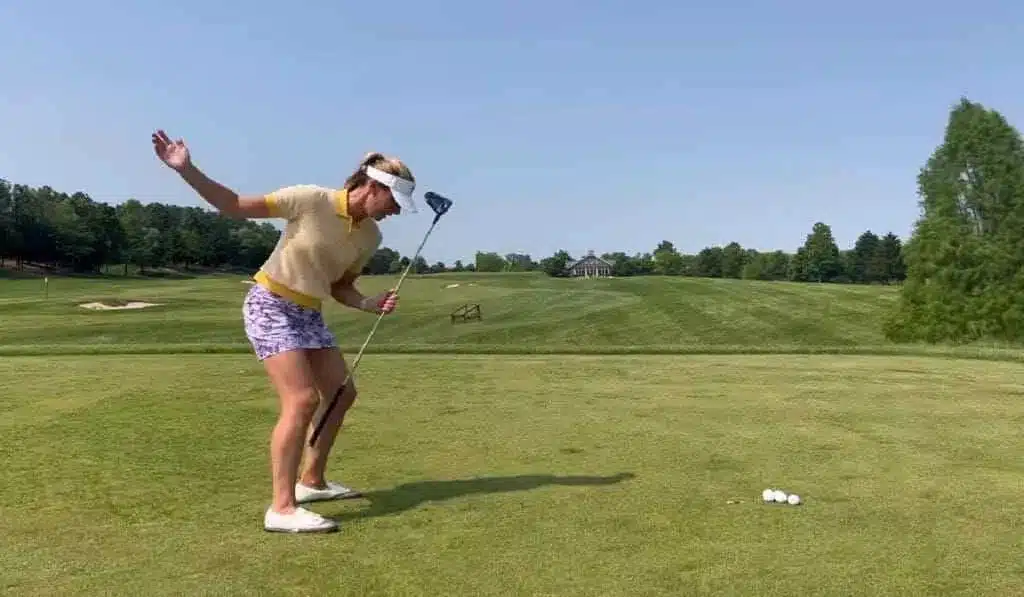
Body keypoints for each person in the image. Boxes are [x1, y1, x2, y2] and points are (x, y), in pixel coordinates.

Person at [151, 129, 417, 533]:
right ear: (371, 187)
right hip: (270, 303)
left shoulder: (370, 235)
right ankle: (282, 508)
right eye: (394, 201)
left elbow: (339, 285)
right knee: (302, 400)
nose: (395, 212)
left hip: (308, 313)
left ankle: (312, 482)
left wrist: (366, 303)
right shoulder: (310, 199)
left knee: (342, 394)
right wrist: (187, 170)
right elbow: (235, 206)